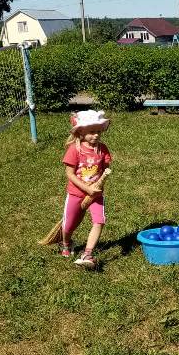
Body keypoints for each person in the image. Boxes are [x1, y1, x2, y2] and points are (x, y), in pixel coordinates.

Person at [61, 110, 112, 268]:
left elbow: (105, 168)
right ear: (81, 132)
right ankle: (66, 243)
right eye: (91, 132)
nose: (96, 135)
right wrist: (86, 188)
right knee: (69, 225)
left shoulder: (102, 149)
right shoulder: (74, 149)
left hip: (96, 194)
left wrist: (98, 185)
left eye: (98, 131)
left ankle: (87, 253)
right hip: (76, 193)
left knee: (99, 221)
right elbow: (69, 174)